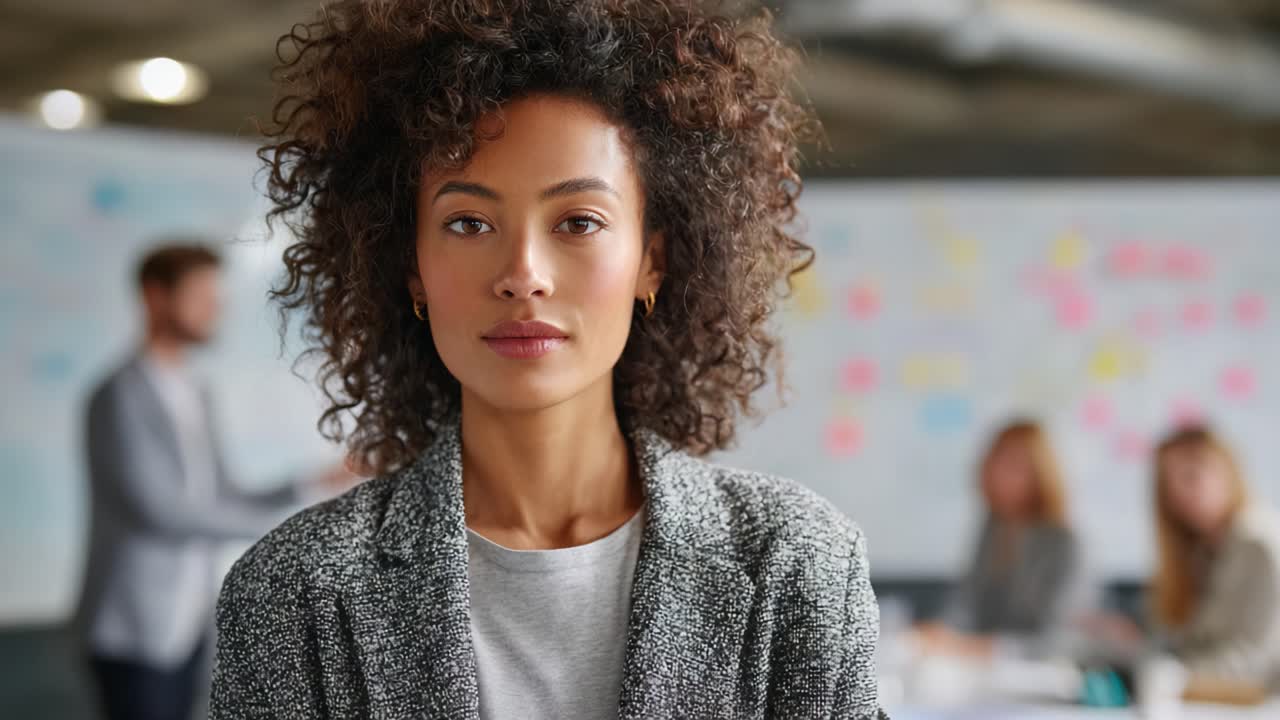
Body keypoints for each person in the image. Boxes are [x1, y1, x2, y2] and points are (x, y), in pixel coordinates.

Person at [209, 1, 886, 718]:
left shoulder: (795, 567)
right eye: (469, 223)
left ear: (652, 263)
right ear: (411, 269)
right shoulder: (295, 592)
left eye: (578, 223)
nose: (523, 273)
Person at [78, 243, 352, 720]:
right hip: (134, 628)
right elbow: (161, 512)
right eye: (201, 295)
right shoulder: (117, 396)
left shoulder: (195, 392)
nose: (215, 309)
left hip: (190, 623)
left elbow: (220, 496)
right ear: (155, 296)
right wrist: (281, 532)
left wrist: (312, 484)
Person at [915, 420, 1081, 658]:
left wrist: (976, 646)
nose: (1000, 474)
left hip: (1042, 675)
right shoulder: (992, 528)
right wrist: (943, 630)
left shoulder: (1065, 544)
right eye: (996, 462)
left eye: (1014, 465)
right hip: (985, 671)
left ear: (1040, 474)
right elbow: (968, 601)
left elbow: (1056, 640)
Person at [1150, 425, 1280, 691]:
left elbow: (1256, 660)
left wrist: (1176, 676)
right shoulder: (1199, 553)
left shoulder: (1261, 547)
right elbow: (1189, 640)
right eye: (1169, 482)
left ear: (1227, 472)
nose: (1179, 493)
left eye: (1191, 476)